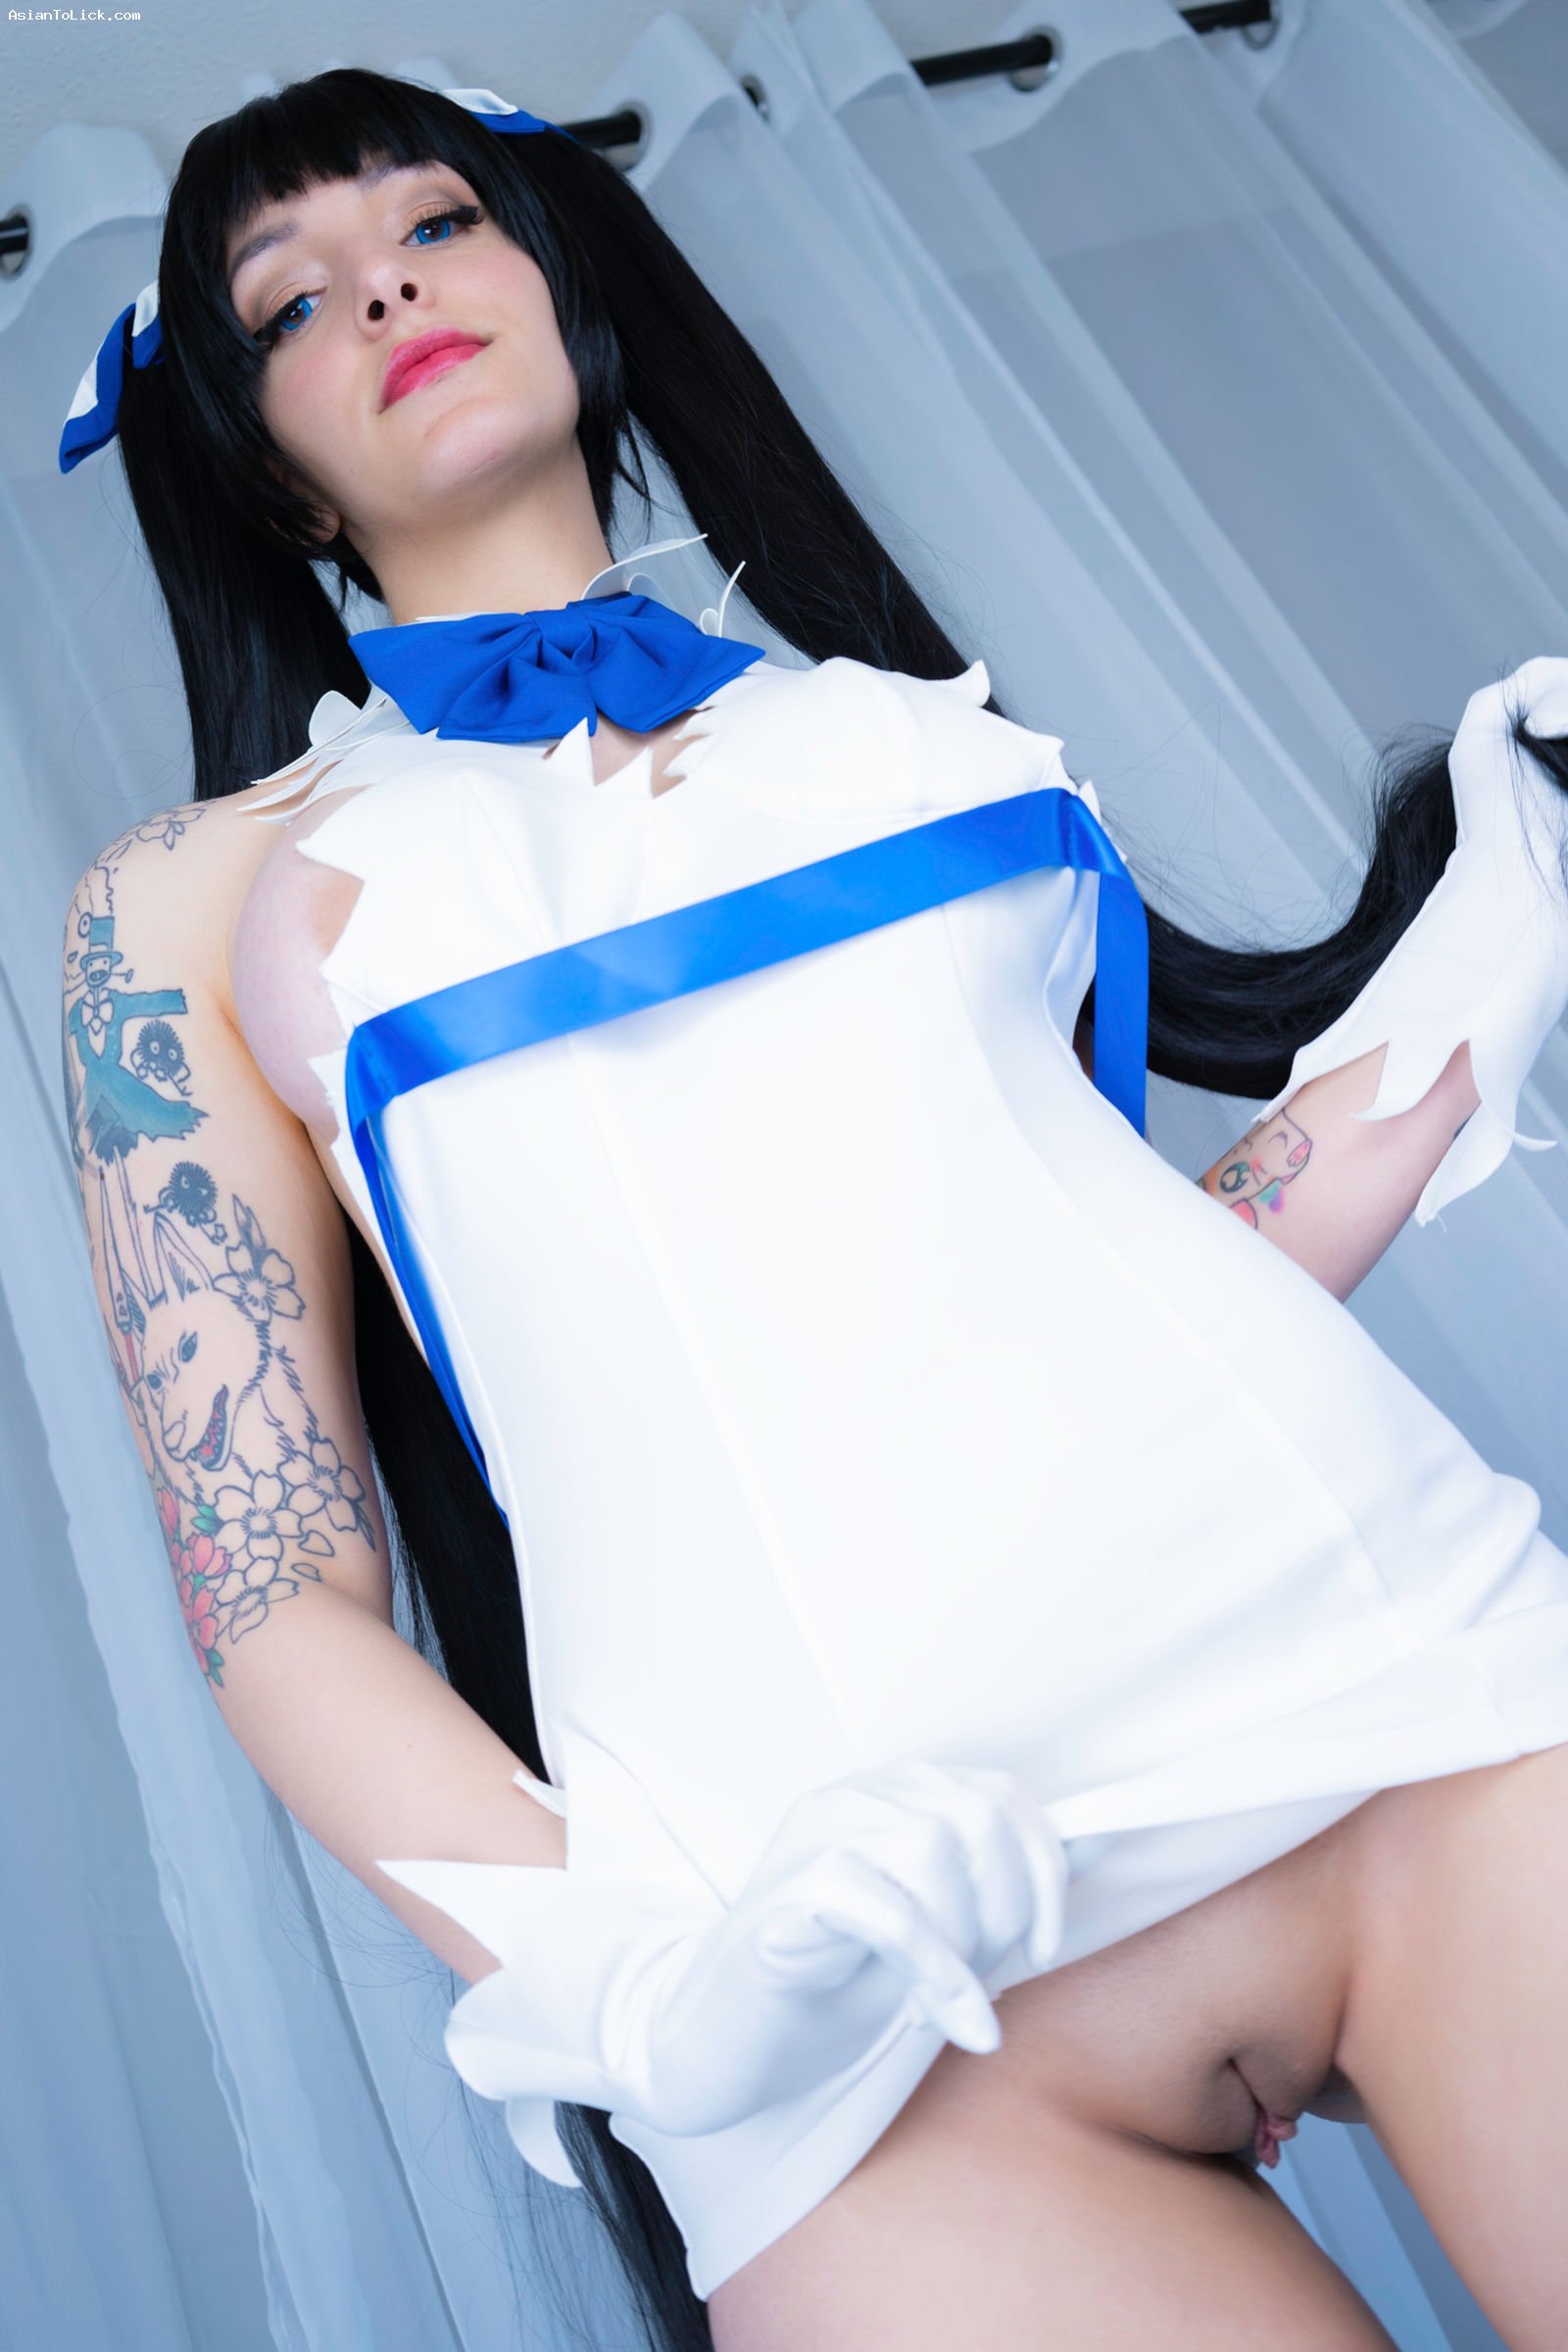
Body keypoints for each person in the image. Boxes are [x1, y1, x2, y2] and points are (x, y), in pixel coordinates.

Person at [55, 66, 1568, 2352]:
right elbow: (269, 1584)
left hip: (1402, 1699)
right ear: (258, 455)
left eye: (436, 220)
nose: (380, 285)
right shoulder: (192, 898)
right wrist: (634, 1984)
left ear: (559, 278)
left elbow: (1087, 1279)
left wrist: (1485, 964)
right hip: (843, 2003)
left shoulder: (901, 719)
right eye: (287, 297)